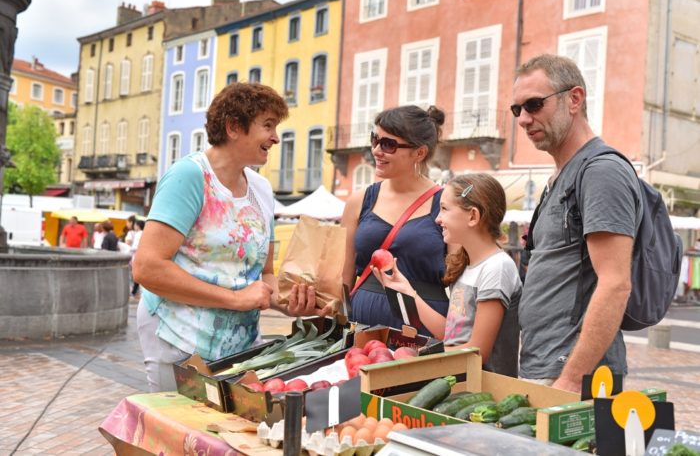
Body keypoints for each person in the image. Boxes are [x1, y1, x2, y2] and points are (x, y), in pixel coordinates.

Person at [132, 82, 329, 392]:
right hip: (179, 338)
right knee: (181, 432)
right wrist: (236, 299)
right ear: (234, 126)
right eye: (267, 126)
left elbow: (263, 274)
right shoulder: (189, 176)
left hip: (242, 350)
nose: (275, 137)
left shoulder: (261, 190)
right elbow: (147, 267)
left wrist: (287, 303)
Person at [512, 54, 642, 392]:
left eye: (535, 105)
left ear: (574, 99)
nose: (524, 119)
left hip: (572, 377)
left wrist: (571, 378)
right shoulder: (562, 174)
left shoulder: (600, 172)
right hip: (548, 366)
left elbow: (616, 283)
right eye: (517, 110)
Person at [372, 174, 521, 376]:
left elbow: (477, 352)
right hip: (459, 381)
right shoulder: (467, 264)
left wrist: (419, 358)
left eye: (444, 209)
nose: (437, 219)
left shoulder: (497, 267)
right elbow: (450, 334)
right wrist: (408, 291)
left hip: (485, 391)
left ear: (473, 216)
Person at [341, 105, 449, 336]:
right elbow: (343, 276)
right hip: (363, 326)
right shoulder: (359, 200)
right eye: (375, 140)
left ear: (419, 153)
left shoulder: (446, 203)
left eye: (388, 144)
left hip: (422, 327)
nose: (377, 150)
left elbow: (461, 278)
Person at [130, 219, 145, 300]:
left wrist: (129, 249)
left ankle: (135, 292)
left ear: (138, 226)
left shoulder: (138, 234)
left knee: (136, 274)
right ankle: (136, 291)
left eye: (135, 225)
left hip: (136, 256)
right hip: (141, 256)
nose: (134, 226)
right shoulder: (143, 233)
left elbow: (136, 246)